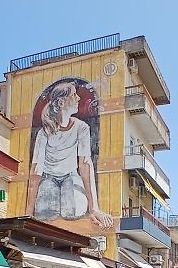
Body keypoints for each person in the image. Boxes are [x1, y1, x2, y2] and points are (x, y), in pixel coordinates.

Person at [26, 80, 113, 229]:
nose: (78, 98)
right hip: (48, 178)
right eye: (73, 95)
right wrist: (28, 213)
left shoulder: (81, 127)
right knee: (45, 213)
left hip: (70, 176)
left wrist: (94, 209)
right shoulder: (44, 133)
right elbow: (36, 170)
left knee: (73, 211)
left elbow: (85, 165)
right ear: (61, 102)